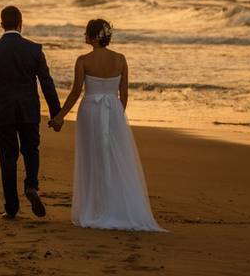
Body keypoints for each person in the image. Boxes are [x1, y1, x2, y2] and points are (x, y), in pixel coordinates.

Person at [49, 19, 165, 232]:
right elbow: (124, 93)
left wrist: (60, 116)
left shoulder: (83, 60)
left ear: (92, 36)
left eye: (86, 33)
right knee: (114, 156)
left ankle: (95, 207)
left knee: (93, 156)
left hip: (91, 110)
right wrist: (118, 116)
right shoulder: (120, 59)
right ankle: (115, 205)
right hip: (114, 110)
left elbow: (76, 92)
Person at [0, 5, 61, 219]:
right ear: (21, 23)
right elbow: (47, 83)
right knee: (31, 150)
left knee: (7, 157)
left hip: (3, 112)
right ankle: (31, 184)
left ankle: (11, 207)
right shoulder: (34, 50)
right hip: (29, 110)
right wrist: (56, 113)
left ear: (1, 24)